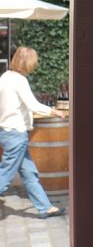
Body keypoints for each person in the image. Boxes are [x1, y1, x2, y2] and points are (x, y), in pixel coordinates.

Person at [0, 47, 67, 218]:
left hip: (6, 131)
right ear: (28, 63)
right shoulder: (19, 80)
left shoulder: (5, 77)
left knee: (29, 172)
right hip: (16, 133)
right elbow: (33, 105)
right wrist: (54, 112)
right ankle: (45, 207)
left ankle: (45, 207)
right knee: (6, 173)